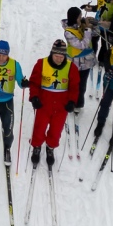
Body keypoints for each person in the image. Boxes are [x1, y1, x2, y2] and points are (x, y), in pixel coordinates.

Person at [26, 39, 81, 167]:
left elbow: (74, 87)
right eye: (56, 56)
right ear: (51, 54)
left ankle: (50, 147)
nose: (59, 59)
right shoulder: (41, 63)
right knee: (39, 128)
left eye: (61, 56)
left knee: (56, 130)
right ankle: (37, 146)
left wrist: (72, 101)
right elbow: (34, 82)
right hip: (44, 104)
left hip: (61, 106)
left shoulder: (71, 67)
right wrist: (34, 97)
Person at [63, 6, 97, 112]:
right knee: (73, 84)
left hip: (85, 62)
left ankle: (79, 104)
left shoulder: (80, 26)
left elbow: (95, 34)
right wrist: (87, 29)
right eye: (79, 17)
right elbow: (83, 45)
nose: (80, 18)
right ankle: (71, 102)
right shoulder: (68, 32)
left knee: (82, 85)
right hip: (74, 63)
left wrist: (92, 25)